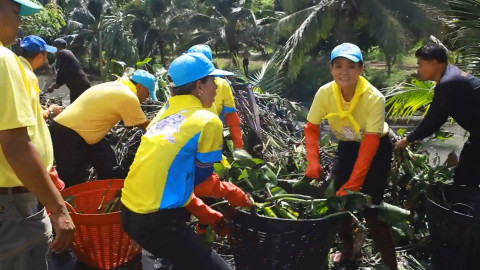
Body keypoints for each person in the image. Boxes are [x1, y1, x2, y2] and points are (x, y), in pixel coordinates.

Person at [121, 53, 251, 270]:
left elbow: (173, 177)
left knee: (185, 259)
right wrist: (231, 192)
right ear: (199, 85)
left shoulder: (164, 113)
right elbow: (201, 181)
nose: (217, 87)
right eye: (213, 80)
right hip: (157, 222)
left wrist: (203, 211)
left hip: (129, 215)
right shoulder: (208, 121)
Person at [304, 43, 397, 269]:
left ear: (361, 69)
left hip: (376, 148)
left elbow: (371, 142)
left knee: (371, 209)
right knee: (338, 201)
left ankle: (391, 264)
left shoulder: (375, 97)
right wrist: (313, 162)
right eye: (338, 66)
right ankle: (347, 253)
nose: (344, 72)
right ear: (331, 68)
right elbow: (311, 127)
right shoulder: (325, 93)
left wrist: (355, 183)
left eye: (351, 66)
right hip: (347, 145)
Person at [0, 1, 75, 269]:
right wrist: (58, 208)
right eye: (16, 13)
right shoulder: (4, 60)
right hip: (13, 203)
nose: (19, 23)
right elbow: (16, 144)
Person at [49, 70, 156, 187]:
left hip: (83, 131)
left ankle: (108, 195)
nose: (147, 98)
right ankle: (64, 203)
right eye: (148, 93)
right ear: (140, 87)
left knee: (109, 166)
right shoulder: (128, 96)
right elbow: (145, 126)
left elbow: (129, 125)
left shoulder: (116, 86)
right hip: (68, 133)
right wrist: (163, 123)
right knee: (72, 179)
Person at [395, 44, 480, 187]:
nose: (418, 69)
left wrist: (408, 139)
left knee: (466, 178)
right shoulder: (451, 74)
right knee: (465, 176)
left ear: (434, 63)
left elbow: (435, 119)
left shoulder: (448, 83)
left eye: (420, 64)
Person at [19, 35, 66, 191]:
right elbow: (30, 115)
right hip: (29, 159)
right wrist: (50, 111)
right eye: (45, 55)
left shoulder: (16, 69)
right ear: (40, 55)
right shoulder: (28, 76)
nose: (45, 59)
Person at [188, 44, 244, 149]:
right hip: (188, 140)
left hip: (213, 139)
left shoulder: (222, 85)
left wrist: (238, 146)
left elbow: (231, 117)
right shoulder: (184, 87)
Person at [47, 38, 91, 104]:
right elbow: (66, 71)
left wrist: (57, 83)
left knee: (75, 107)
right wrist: (58, 84)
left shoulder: (62, 53)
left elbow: (61, 70)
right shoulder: (68, 53)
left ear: (56, 47)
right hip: (81, 84)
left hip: (78, 87)